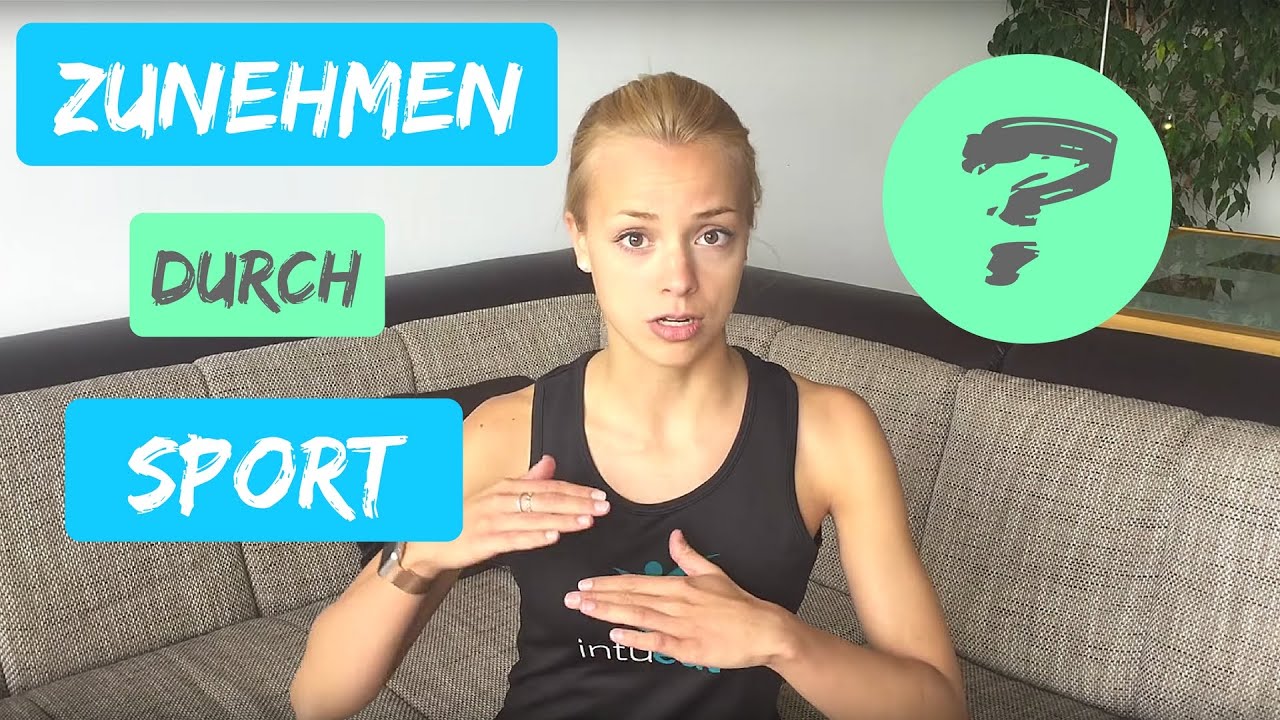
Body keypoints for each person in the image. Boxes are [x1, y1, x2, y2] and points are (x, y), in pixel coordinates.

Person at [290, 71, 968, 720]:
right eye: (635, 238)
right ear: (581, 240)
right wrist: (422, 551)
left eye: (711, 235)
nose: (679, 278)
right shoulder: (504, 434)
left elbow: (938, 705)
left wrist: (781, 640)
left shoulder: (829, 433)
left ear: (745, 235)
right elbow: (317, 700)